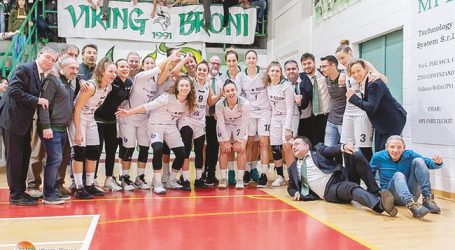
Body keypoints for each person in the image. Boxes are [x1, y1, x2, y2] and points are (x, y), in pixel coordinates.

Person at [116, 76, 196, 194]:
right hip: (155, 125)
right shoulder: (167, 97)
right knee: (158, 149)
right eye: (182, 85)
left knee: (182, 153)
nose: (184, 88)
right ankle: (157, 181)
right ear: (177, 87)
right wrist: (129, 112)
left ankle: (171, 180)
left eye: (187, 86)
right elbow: (147, 106)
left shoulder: (188, 102)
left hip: (170, 126)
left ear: (190, 88)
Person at [0, 46, 57, 206]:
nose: (50, 62)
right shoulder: (24, 68)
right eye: (48, 57)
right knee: (14, 158)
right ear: (40, 55)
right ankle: (15, 195)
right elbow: (13, 90)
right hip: (12, 119)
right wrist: (37, 100)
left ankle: (21, 191)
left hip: (23, 121)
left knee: (24, 155)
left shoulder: (40, 74)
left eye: (53, 61)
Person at [287, 136, 397, 217]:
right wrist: (295, 192)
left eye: (297, 144)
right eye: (292, 145)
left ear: (306, 146)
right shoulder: (292, 168)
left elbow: (329, 150)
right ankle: (381, 205)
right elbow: (291, 187)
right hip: (330, 189)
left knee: (355, 155)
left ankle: (375, 191)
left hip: (341, 177)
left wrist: (343, 147)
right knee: (351, 188)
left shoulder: (317, 151)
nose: (293, 147)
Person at [118, 52, 177, 194]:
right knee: (129, 148)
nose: (150, 65)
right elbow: (158, 68)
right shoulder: (139, 77)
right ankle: (125, 177)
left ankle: (140, 177)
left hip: (145, 119)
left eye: (152, 62)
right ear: (143, 66)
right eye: (147, 63)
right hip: (130, 118)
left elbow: (165, 73)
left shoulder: (155, 83)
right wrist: (170, 57)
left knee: (144, 148)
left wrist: (176, 62)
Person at [68, 57, 116, 199]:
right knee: (79, 152)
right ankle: (79, 187)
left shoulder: (109, 87)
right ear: (102, 71)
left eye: (115, 72)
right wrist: (77, 131)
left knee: (94, 151)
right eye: (110, 71)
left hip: (90, 118)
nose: (113, 74)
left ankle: (89, 184)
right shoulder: (90, 87)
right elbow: (76, 109)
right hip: (78, 119)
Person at [370, 135, 443, 219]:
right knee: (398, 174)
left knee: (419, 160)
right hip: (392, 197)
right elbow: (369, 174)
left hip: (412, 193)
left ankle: (427, 199)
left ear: (404, 148)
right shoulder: (378, 156)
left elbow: (428, 163)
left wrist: (437, 163)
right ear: (386, 147)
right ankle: (411, 204)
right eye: (392, 147)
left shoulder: (410, 154)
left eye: (399, 147)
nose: (395, 150)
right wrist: (374, 193)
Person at [38, 56, 78, 205]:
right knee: (54, 160)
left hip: (62, 129)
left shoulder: (69, 85)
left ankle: (53, 190)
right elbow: (43, 105)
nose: (75, 71)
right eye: (72, 68)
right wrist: (46, 126)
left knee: (57, 161)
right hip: (51, 128)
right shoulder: (52, 81)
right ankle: (48, 194)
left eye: (76, 69)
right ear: (63, 67)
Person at [346, 59, 407, 152]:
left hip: (394, 120)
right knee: (379, 153)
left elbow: (371, 107)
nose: (356, 74)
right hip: (381, 123)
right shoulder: (363, 83)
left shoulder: (373, 83)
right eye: (353, 72)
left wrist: (353, 98)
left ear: (365, 70)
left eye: (358, 71)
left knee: (386, 152)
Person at [178, 61, 220, 190]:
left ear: (207, 73)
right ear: (196, 71)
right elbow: (175, 73)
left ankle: (198, 178)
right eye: (200, 69)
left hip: (200, 121)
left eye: (204, 70)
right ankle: (184, 178)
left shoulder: (208, 85)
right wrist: (184, 61)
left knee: (199, 150)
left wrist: (220, 95)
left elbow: (210, 101)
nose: (202, 72)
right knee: (186, 147)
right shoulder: (190, 81)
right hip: (187, 119)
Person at [335, 40, 377, 160]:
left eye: (343, 58)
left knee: (363, 147)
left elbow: (377, 76)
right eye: (339, 60)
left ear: (350, 53)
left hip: (361, 111)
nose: (341, 61)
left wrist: (374, 75)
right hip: (348, 111)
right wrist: (343, 73)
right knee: (347, 146)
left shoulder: (362, 64)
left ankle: (368, 176)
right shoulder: (345, 70)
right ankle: (351, 176)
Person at [95, 59, 132, 191]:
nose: (125, 69)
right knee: (96, 151)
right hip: (98, 119)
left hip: (112, 121)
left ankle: (109, 179)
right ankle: (92, 180)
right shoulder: (111, 80)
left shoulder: (129, 82)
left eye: (127, 67)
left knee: (111, 151)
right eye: (121, 66)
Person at [236, 50, 270, 187]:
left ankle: (264, 174)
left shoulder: (264, 73)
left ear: (256, 60)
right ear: (245, 60)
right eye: (249, 58)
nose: (251, 60)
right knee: (249, 142)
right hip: (249, 112)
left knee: (263, 142)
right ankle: (247, 171)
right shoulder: (240, 76)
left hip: (264, 111)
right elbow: (238, 95)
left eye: (253, 58)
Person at [215, 79, 250, 189]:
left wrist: (239, 141)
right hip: (225, 125)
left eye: (232, 90)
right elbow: (220, 123)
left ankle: (240, 179)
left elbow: (245, 122)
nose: (231, 93)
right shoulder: (219, 104)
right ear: (224, 93)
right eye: (228, 91)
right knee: (224, 150)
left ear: (237, 90)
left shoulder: (245, 103)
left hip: (239, 125)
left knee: (241, 149)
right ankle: (223, 178)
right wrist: (226, 141)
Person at [264, 61, 294, 187]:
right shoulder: (268, 85)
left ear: (281, 73)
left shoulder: (286, 86)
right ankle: (280, 176)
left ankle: (293, 176)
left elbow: (290, 108)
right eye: (272, 71)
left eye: (277, 71)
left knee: (287, 146)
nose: (275, 73)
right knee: (275, 148)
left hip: (288, 117)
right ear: (268, 73)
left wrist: (288, 128)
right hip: (275, 118)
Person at [299, 53, 331, 146]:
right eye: (304, 64)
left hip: (329, 115)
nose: (307, 66)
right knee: (317, 144)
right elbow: (304, 104)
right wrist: (299, 102)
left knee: (331, 144)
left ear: (314, 63)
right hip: (314, 117)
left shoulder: (324, 73)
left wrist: (343, 74)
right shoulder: (302, 80)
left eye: (309, 63)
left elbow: (337, 71)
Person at [203, 55, 223, 185]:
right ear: (208, 64)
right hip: (203, 117)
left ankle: (212, 173)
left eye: (217, 63)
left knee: (214, 147)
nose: (215, 65)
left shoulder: (223, 80)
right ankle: (202, 173)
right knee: (203, 147)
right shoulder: (203, 79)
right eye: (212, 63)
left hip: (217, 118)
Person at [320, 55, 346, 147]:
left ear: (333, 66)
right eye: (321, 67)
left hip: (345, 120)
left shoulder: (345, 76)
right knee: (327, 149)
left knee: (347, 150)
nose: (322, 69)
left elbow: (353, 66)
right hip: (331, 120)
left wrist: (344, 72)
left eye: (324, 66)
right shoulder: (327, 79)